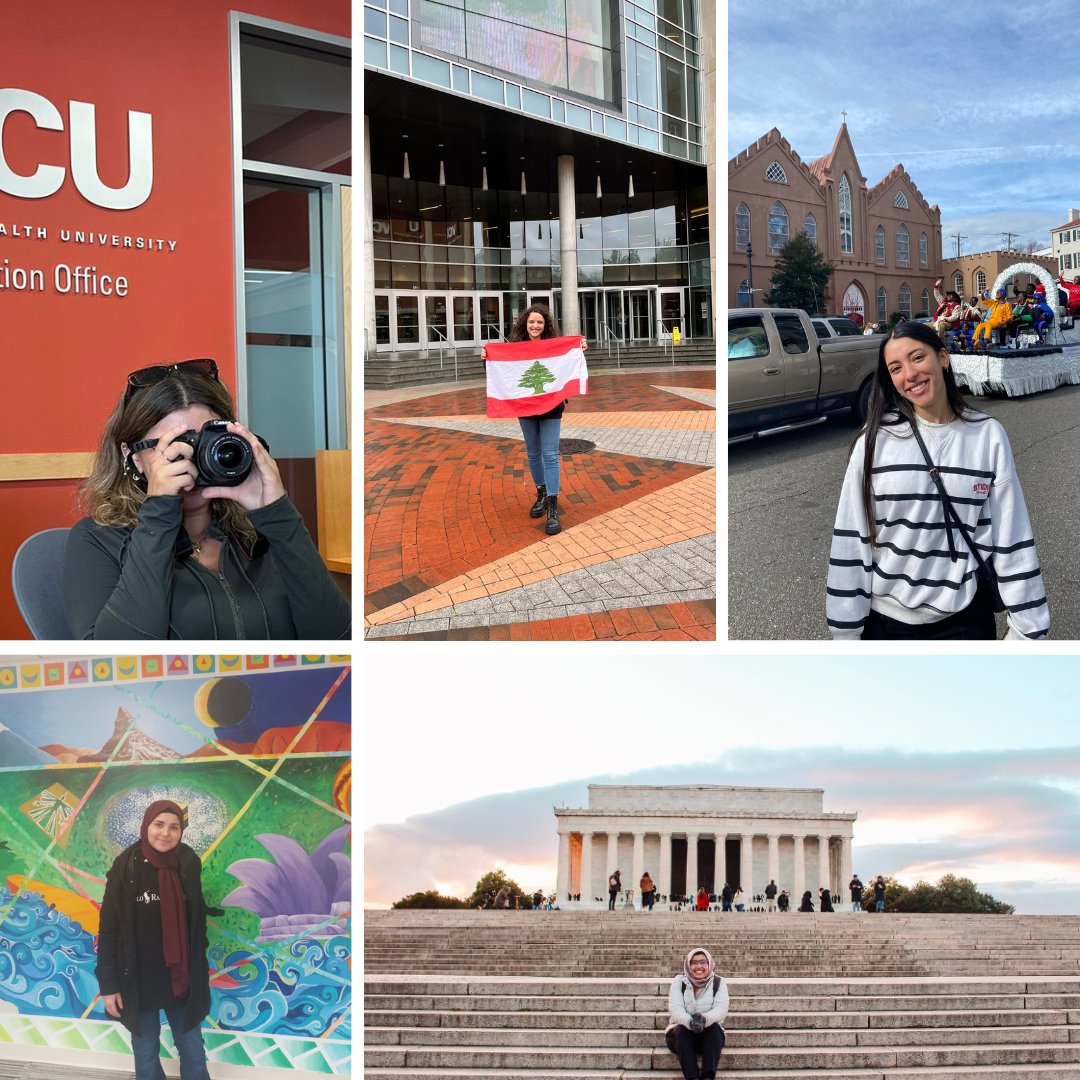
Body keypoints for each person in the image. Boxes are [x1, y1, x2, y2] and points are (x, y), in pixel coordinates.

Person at [64, 359, 351, 640]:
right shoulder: (99, 540)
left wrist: (278, 515)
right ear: (133, 456)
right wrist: (159, 516)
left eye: (205, 441)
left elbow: (336, 638)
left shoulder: (255, 535)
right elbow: (117, 663)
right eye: (176, 446)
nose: (194, 458)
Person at [826, 321, 1049, 640]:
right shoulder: (875, 441)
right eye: (896, 367)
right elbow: (852, 538)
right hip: (886, 622)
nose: (910, 374)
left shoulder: (987, 435)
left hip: (965, 618)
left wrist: (1029, 628)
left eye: (918, 357)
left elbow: (1011, 535)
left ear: (943, 357)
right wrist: (845, 634)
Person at [97, 800, 216, 1080]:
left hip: (181, 979)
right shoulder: (125, 867)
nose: (166, 833)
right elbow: (109, 930)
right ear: (146, 825)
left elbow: (197, 925)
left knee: (193, 1051)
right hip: (137, 981)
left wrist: (199, 973)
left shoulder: (188, 863)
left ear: (181, 832)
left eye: (174, 827)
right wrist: (109, 985)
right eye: (159, 824)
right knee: (145, 1051)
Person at [480, 304, 587, 536]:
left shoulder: (555, 348)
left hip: (551, 407)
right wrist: (487, 358)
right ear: (524, 324)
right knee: (533, 452)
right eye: (531, 322)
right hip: (525, 407)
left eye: (539, 322)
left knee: (549, 454)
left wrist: (578, 349)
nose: (535, 326)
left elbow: (568, 363)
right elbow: (502, 372)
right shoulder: (516, 348)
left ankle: (551, 504)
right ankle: (540, 492)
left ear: (545, 324)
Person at [665, 948, 728, 1080]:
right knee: (683, 1030)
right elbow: (675, 1009)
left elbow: (721, 1010)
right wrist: (690, 1022)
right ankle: (692, 1077)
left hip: (709, 1037)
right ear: (688, 965)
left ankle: (708, 1076)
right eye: (694, 962)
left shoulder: (718, 982)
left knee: (714, 1028)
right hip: (681, 1038)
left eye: (703, 962)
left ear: (709, 964)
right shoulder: (679, 982)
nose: (698, 966)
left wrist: (704, 1019)